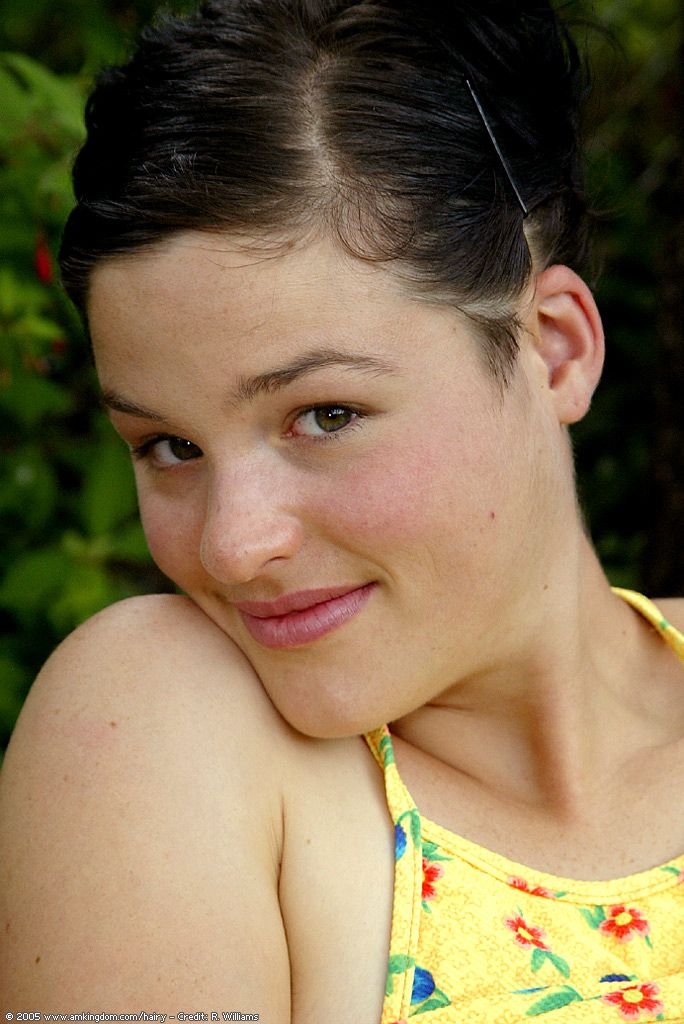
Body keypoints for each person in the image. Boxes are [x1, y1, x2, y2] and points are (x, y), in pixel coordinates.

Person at [1, 1, 683, 1020]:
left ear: (553, 349)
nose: (233, 547)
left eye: (325, 415)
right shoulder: (161, 732)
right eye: (169, 446)